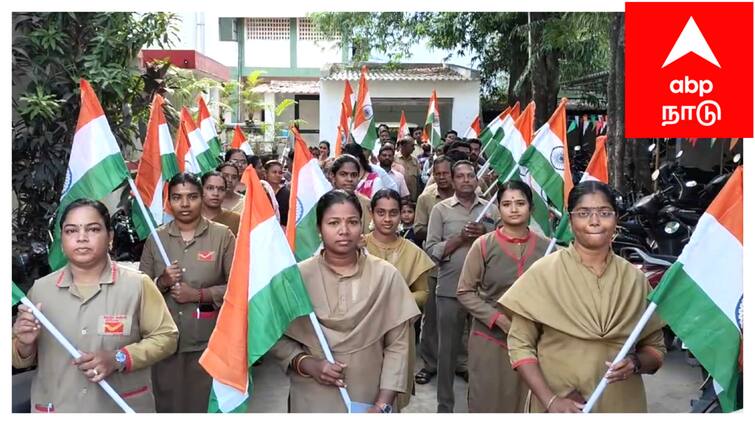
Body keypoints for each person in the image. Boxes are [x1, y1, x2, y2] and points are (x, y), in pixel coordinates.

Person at [499, 181, 666, 413]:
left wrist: (636, 363)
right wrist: (550, 400)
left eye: (604, 213)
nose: (595, 221)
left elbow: (655, 350)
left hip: (620, 404)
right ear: (570, 219)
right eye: (584, 213)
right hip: (558, 406)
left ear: (616, 218)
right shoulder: (545, 272)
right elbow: (519, 345)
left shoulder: (635, 280)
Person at [12, 199, 178, 412]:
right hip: (58, 408)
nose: (81, 238)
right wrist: (24, 345)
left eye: (92, 229)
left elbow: (167, 337)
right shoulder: (41, 290)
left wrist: (119, 358)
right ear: (61, 242)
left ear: (110, 237)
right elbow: (20, 360)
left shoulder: (137, 284)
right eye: (71, 231)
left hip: (118, 408)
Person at [269, 190, 421, 413]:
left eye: (352, 222)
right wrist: (306, 363)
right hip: (310, 395)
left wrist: (383, 404)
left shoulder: (386, 276)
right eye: (333, 223)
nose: (344, 231)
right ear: (319, 229)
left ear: (362, 226)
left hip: (370, 394)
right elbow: (273, 333)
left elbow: (398, 345)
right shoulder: (296, 279)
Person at [139, 172, 236, 413]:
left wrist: (198, 295)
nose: (184, 204)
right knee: (166, 405)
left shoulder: (222, 236)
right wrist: (161, 282)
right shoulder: (156, 238)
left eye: (192, 197)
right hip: (163, 340)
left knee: (202, 405)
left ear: (202, 197)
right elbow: (139, 291)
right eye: (177, 197)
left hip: (208, 341)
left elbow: (238, 288)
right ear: (168, 201)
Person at [457, 181, 550, 412]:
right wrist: (498, 319)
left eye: (520, 203)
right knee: (488, 400)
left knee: (529, 401)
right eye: (507, 204)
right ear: (498, 208)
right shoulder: (483, 245)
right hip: (491, 339)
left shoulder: (548, 249)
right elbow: (465, 291)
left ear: (531, 208)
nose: (514, 209)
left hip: (535, 339)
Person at [426, 160, 500, 413]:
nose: (467, 179)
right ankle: (444, 407)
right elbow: (432, 250)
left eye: (471, 175)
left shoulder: (492, 209)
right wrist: (460, 238)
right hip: (450, 290)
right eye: (461, 176)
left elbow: (503, 241)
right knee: (447, 352)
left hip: (485, 293)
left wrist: (485, 231)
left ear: (477, 180)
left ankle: (479, 408)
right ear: (453, 180)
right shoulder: (441, 210)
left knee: (482, 354)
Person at [364, 189, 435, 411]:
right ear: (371, 213)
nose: (387, 219)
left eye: (393, 213)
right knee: (362, 388)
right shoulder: (359, 246)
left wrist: (394, 303)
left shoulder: (413, 251)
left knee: (393, 390)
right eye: (381, 213)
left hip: (400, 328)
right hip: (362, 329)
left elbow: (423, 292)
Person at [413, 155, 454, 387]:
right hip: (434, 265)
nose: (441, 178)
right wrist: (440, 231)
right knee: (432, 318)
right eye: (437, 174)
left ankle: (460, 363)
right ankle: (429, 363)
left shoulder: (471, 197)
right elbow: (418, 230)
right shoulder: (426, 199)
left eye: (445, 173)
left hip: (463, 267)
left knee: (461, 319)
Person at [329, 154, 373, 234]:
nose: (349, 179)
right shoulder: (323, 203)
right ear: (333, 176)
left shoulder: (366, 204)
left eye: (353, 175)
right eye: (343, 174)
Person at [201, 171, 241, 236]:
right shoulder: (190, 217)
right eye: (210, 188)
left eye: (221, 189)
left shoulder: (236, 220)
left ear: (225, 192)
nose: (216, 193)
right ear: (201, 190)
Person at [265, 160, 291, 229]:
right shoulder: (262, 191)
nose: (277, 175)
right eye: (274, 172)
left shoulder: (287, 194)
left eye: (280, 173)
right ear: (266, 173)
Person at [394, 137, 422, 201]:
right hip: (399, 199)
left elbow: (418, 180)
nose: (414, 148)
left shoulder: (415, 161)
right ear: (404, 146)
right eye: (412, 146)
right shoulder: (394, 159)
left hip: (413, 199)